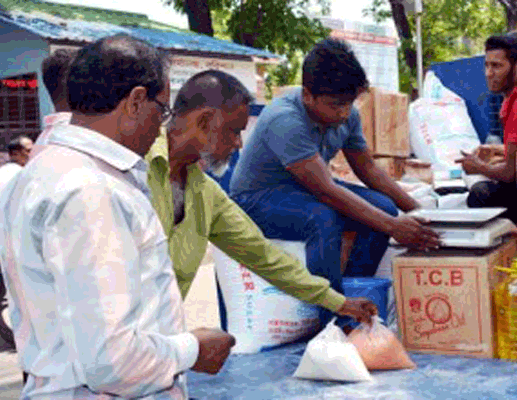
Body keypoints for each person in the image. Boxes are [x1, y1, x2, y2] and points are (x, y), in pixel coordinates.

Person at [0, 34, 234, 400]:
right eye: (162, 110)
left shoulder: (51, 168)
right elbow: (111, 362)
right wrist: (194, 350)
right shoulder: (91, 190)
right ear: (136, 101)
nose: (160, 127)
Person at [146, 70, 377, 338]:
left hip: (153, 345)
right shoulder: (135, 169)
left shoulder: (205, 193)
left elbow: (263, 255)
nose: (237, 144)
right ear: (206, 120)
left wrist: (339, 302)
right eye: (233, 132)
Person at [229, 38, 440, 329]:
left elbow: (367, 168)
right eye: (335, 105)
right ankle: (334, 321)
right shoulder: (285, 119)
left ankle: (356, 297)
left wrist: (418, 213)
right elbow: (326, 191)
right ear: (307, 95)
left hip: (303, 189)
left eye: (349, 103)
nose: (343, 113)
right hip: (257, 198)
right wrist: (394, 228)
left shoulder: (347, 114)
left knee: (383, 207)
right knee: (323, 218)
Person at [455, 35, 517, 225]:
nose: (488, 73)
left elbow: (511, 173)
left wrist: (478, 167)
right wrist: (497, 150)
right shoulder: (512, 98)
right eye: (486, 66)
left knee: (480, 194)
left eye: (496, 66)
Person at [0, 136, 33, 237]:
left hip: (1, 235)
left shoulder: (1, 172)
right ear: (15, 153)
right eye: (28, 151)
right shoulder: (20, 173)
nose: (32, 154)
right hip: (16, 235)